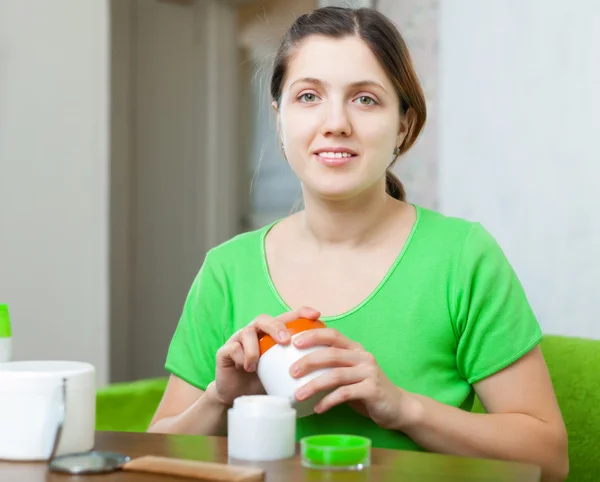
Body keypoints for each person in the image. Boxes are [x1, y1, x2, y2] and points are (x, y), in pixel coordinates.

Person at [148, 6, 568, 481]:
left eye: (365, 100)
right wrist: (220, 398)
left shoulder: (463, 258)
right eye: (308, 96)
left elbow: (549, 458)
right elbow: (153, 453)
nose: (336, 123)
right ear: (280, 119)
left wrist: (403, 407)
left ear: (404, 126)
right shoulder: (226, 269)